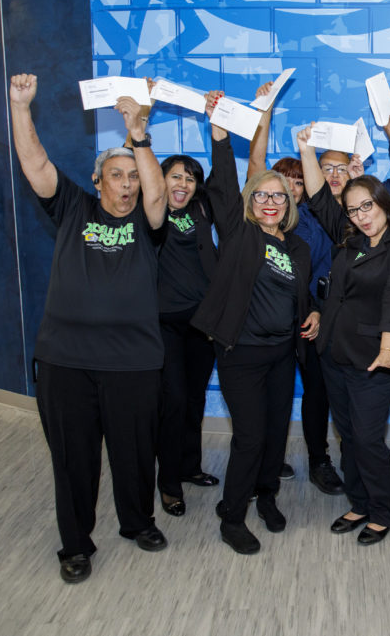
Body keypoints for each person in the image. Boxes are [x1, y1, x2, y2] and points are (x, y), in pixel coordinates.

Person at [9, 73, 169, 584]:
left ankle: (137, 522)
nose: (126, 184)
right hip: (66, 360)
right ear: (99, 181)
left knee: (135, 453)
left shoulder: (147, 223)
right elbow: (35, 163)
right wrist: (20, 107)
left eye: (133, 177)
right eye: (117, 176)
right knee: (74, 460)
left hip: (133, 360)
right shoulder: (74, 207)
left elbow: (160, 194)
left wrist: (137, 134)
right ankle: (76, 545)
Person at [191, 90, 318, 555]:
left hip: (282, 356)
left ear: (288, 204)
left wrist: (316, 312)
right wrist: (220, 133)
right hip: (241, 354)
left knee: (273, 433)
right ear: (251, 202)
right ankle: (233, 514)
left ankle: (267, 496)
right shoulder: (240, 234)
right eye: (261, 195)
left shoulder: (298, 248)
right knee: (247, 437)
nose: (270, 202)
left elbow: (302, 295)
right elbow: (226, 181)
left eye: (278, 196)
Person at [297, 124, 390, 545]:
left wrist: (388, 349)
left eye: (368, 206)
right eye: (353, 209)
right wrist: (304, 148)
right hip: (334, 352)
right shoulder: (349, 239)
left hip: (373, 359)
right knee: (348, 435)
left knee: (368, 438)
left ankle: (383, 510)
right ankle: (360, 500)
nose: (361, 215)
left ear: (385, 205)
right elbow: (316, 197)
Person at [248, 81, 344, 495]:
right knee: (274, 390)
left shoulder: (324, 214)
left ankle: (319, 460)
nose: (290, 189)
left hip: (316, 316)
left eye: (298, 182)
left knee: (317, 391)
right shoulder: (269, 220)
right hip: (271, 319)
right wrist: (264, 112)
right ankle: (266, 458)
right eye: (283, 183)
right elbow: (254, 171)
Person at [154, 154, 220, 518]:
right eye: (175, 177)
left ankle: (190, 466)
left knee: (194, 398)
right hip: (165, 324)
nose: (182, 185)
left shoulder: (200, 209)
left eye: (190, 179)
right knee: (174, 401)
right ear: (160, 179)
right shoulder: (151, 210)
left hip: (202, 321)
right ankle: (168, 484)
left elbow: (222, 178)